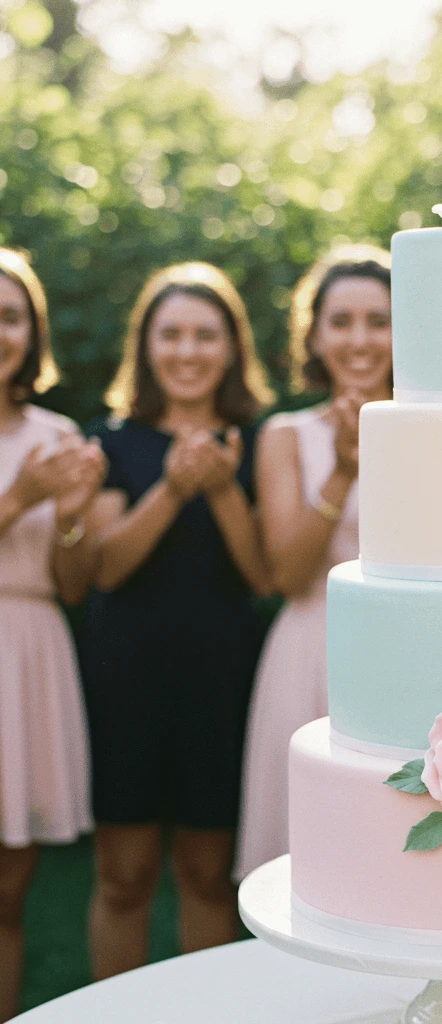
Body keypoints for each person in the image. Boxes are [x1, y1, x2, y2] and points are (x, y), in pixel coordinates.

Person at [80, 262, 273, 979]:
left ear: (230, 347)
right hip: (124, 671)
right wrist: (171, 487)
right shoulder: (111, 440)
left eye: (204, 335)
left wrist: (221, 491)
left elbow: (263, 578)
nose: (187, 352)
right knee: (123, 873)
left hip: (221, 675)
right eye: (171, 335)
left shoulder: (260, 441)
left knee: (206, 872)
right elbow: (105, 567)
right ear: (146, 346)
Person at [233, 245, 392, 881]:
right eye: (341, 321)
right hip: (312, 646)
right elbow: (287, 576)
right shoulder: (285, 435)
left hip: (407, 645)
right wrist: (345, 472)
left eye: (379, 321)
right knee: (312, 867)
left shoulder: (441, 427)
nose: (360, 339)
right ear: (315, 335)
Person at [0, 248, 106, 1021]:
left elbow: (75, 588)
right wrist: (21, 494)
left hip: (31, 648)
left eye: (9, 316)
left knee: (10, 890)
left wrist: (70, 516)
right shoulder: (31, 462)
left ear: (31, 334)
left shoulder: (57, 431)